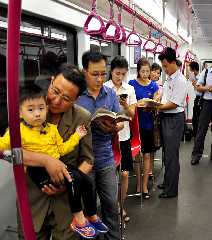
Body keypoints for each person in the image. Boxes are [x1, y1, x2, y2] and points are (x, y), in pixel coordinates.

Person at [0, 84, 108, 239]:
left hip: (58, 168)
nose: (37, 114)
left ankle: (91, 214)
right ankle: (79, 219)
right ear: (20, 112)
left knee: (86, 181)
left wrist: (77, 136)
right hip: (36, 173)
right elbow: (3, 148)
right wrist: (43, 160)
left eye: (41, 108)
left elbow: (62, 149)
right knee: (72, 179)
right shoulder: (17, 131)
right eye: (31, 110)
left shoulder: (51, 129)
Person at [16, 64, 94, 240]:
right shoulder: (29, 107)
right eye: (55, 91)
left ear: (76, 100)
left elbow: (87, 160)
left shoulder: (82, 118)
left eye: (66, 98)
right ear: (51, 81)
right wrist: (45, 160)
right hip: (33, 200)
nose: (56, 101)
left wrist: (69, 184)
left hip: (66, 204)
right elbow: (11, 151)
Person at [77, 51, 122, 240]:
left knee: (111, 204)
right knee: (89, 208)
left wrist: (113, 127)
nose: (100, 78)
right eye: (95, 74)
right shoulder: (77, 95)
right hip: (83, 158)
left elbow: (119, 121)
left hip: (105, 156)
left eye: (103, 73)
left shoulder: (110, 93)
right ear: (84, 71)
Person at [104, 56, 136, 222]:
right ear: (111, 71)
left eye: (123, 74)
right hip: (108, 137)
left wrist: (124, 105)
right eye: (117, 73)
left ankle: (121, 206)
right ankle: (110, 209)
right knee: (109, 176)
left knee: (124, 175)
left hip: (124, 136)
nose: (120, 77)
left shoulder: (129, 89)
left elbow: (132, 114)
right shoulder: (104, 88)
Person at [157, 47, 187, 198]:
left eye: (166, 66)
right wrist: (157, 100)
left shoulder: (181, 80)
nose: (164, 69)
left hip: (174, 119)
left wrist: (156, 106)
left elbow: (174, 104)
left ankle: (171, 190)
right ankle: (167, 181)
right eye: (163, 66)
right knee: (166, 153)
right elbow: (165, 96)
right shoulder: (169, 77)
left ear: (174, 62)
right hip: (165, 117)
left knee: (171, 155)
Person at [129, 57, 160, 199]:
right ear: (138, 71)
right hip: (134, 124)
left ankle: (145, 185)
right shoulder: (131, 84)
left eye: (148, 71)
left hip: (148, 124)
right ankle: (138, 183)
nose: (145, 74)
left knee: (147, 155)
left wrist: (154, 102)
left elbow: (156, 100)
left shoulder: (153, 85)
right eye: (143, 71)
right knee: (136, 156)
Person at [189, 61, 201, 137]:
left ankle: (197, 133)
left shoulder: (200, 78)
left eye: (190, 68)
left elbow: (200, 89)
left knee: (197, 117)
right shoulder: (194, 76)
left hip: (200, 98)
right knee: (194, 117)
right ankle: (195, 131)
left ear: (193, 69)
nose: (190, 70)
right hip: (197, 98)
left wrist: (195, 85)